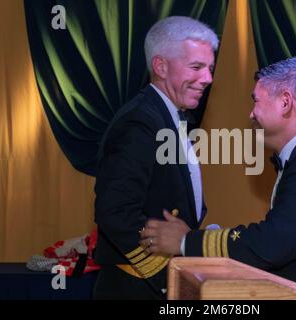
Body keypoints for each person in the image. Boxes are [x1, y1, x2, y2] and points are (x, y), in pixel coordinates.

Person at [140, 57, 296, 300]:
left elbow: (271, 244)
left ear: (285, 102)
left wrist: (187, 241)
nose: (251, 114)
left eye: (256, 101)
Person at [93, 16, 219, 299]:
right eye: (197, 67)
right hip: (138, 286)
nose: (208, 78)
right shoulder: (139, 121)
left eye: (210, 68)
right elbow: (116, 213)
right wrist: (166, 277)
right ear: (160, 66)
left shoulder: (167, 116)